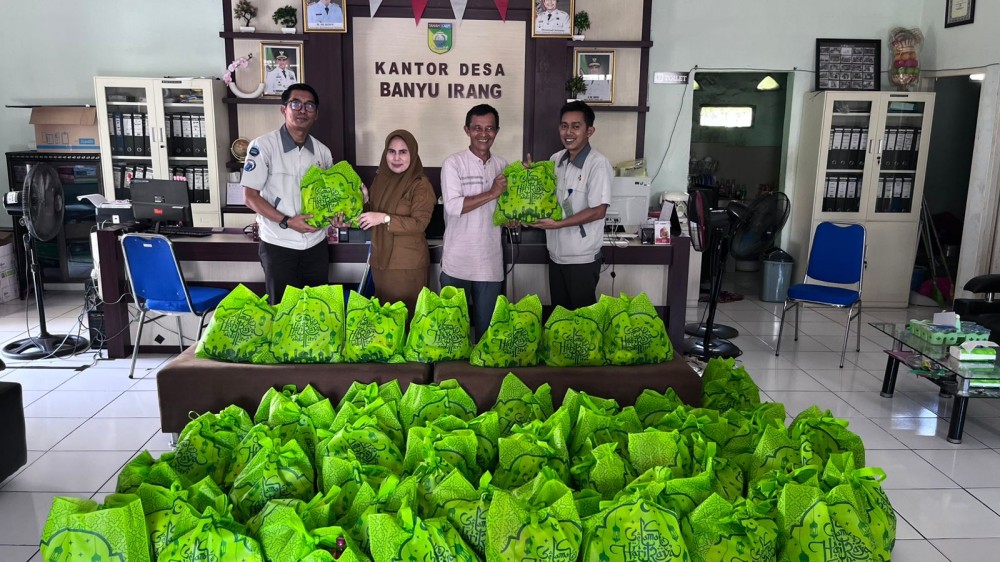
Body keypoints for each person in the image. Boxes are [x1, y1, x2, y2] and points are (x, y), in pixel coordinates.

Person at [241, 83, 332, 305]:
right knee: (282, 312)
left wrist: (340, 214)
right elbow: (250, 196)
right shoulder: (263, 146)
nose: (302, 110)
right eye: (295, 104)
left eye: (309, 105)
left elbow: (330, 198)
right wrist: (287, 221)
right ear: (284, 109)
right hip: (278, 245)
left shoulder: (323, 152)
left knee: (318, 312)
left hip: (316, 246)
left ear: (316, 114)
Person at [531, 101, 612, 310]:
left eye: (576, 126)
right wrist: (529, 176)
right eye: (564, 126)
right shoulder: (556, 159)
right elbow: (546, 198)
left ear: (589, 131)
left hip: (581, 259)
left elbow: (598, 211)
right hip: (556, 256)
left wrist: (558, 224)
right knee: (561, 317)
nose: (568, 132)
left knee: (582, 320)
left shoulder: (598, 164)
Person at [440, 104, 508, 341]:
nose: (483, 134)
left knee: (486, 338)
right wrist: (492, 193)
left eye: (489, 128)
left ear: (496, 131)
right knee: (452, 338)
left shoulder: (503, 166)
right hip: (456, 263)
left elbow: (505, 210)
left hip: (490, 264)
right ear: (467, 130)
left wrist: (513, 219)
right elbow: (453, 207)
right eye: (477, 128)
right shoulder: (453, 163)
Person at [359, 130, 436, 318]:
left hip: (406, 266)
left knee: (406, 320)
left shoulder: (420, 185)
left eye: (403, 152)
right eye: (391, 151)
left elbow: (419, 224)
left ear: (413, 154)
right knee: (386, 323)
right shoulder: (381, 180)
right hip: (381, 263)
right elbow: (372, 215)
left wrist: (385, 218)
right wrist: (365, 200)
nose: (396, 158)